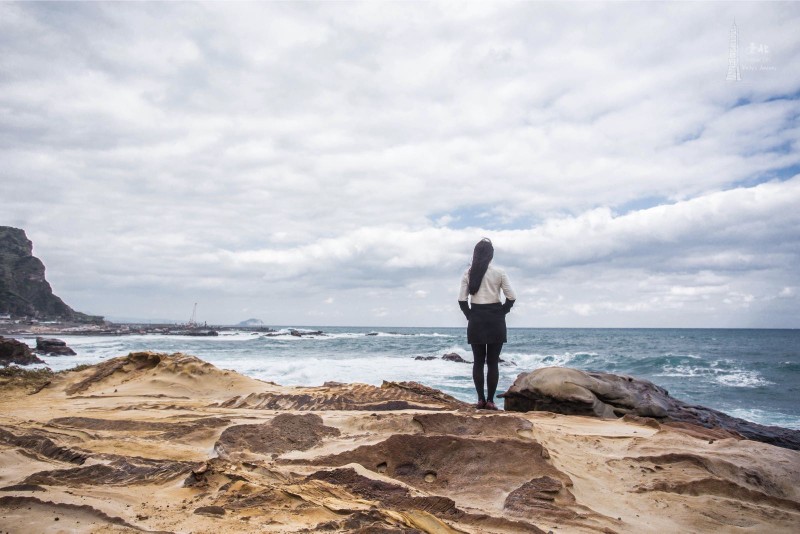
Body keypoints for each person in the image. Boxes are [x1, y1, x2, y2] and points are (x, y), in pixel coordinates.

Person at [458, 238, 516, 410]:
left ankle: (480, 400)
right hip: (495, 319)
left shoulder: (468, 273)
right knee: (492, 363)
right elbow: (511, 297)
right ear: (491, 255)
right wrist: (502, 312)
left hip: (476, 318)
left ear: (475, 254)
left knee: (477, 362)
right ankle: (491, 401)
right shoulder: (499, 272)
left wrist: (471, 316)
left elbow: (462, 300)